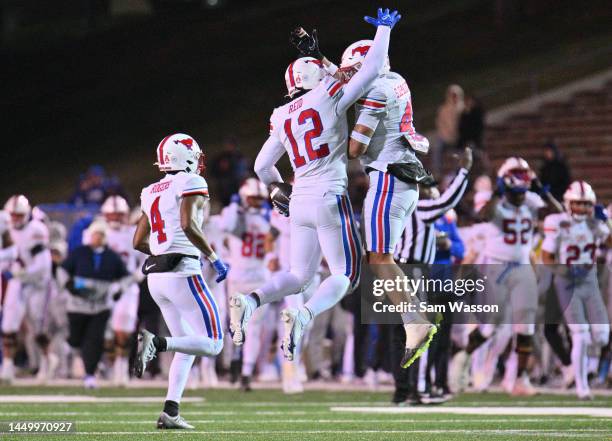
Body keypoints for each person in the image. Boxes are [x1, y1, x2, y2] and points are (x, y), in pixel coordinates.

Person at [229, 8, 402, 363]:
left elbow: (262, 166)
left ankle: (251, 300)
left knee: (299, 274)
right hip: (329, 194)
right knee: (346, 274)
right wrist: (384, 30)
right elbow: (369, 69)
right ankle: (305, 314)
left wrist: (278, 190)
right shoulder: (326, 95)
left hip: (300, 200)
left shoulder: (280, 115)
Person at [332, 28, 436, 369]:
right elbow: (361, 76)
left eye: (353, 71)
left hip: (387, 178)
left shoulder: (376, 91)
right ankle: (415, 318)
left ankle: (415, 321)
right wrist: (324, 61)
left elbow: (356, 149)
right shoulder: (394, 80)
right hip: (404, 178)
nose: (348, 78)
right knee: (381, 256)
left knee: (378, 258)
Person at [133, 133, 229, 430]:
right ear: (184, 156)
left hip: (156, 277)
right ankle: (156, 342)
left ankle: (170, 411)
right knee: (214, 343)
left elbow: (138, 240)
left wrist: (162, 252)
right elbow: (188, 224)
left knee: (189, 345)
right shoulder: (191, 182)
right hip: (183, 272)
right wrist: (213, 258)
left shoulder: (150, 190)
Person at [463, 157, 562, 396]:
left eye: (524, 176)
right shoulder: (495, 201)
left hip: (521, 266)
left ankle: (520, 379)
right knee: (490, 326)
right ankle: (462, 359)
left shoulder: (532, 199)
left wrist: (544, 193)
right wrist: (499, 191)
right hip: (495, 266)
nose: (521, 182)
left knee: (525, 326)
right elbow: (483, 215)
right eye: (516, 175)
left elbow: (561, 216)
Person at [541, 181, 611, 400]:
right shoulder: (557, 223)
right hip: (567, 283)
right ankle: (582, 387)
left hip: (589, 281)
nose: (582, 209)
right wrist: (562, 270)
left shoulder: (595, 225)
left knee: (601, 335)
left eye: (585, 204)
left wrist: (607, 221)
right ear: (568, 203)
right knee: (581, 335)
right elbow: (547, 256)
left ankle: (587, 368)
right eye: (577, 204)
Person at [60, 220, 129, 389]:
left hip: (100, 306)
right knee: (75, 340)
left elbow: (125, 277)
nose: (96, 238)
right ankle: (79, 362)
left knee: (95, 339)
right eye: (94, 234)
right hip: (77, 304)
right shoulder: (79, 252)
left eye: (99, 235)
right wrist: (67, 284)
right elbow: (62, 270)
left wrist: (119, 289)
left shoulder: (112, 256)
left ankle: (90, 374)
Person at [221, 178, 271, 391]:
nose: (257, 202)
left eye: (260, 199)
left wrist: (235, 206)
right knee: (237, 326)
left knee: (253, 327)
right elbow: (227, 227)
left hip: (258, 276)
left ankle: (246, 371)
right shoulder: (238, 215)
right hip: (240, 277)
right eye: (253, 198)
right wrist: (235, 207)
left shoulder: (267, 216)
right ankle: (236, 359)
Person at [1, 195, 53, 384]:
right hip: (18, 281)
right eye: (12, 215)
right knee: (8, 325)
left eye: (18, 215)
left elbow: (43, 265)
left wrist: (19, 274)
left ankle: (47, 360)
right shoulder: (5, 229)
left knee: (37, 328)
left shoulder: (36, 230)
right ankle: (7, 367)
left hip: (38, 283)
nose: (15, 219)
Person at [100, 196, 146, 386]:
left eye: (119, 215)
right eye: (112, 215)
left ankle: (121, 368)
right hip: (104, 286)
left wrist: (137, 275)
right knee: (106, 333)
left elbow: (145, 259)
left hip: (127, 288)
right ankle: (110, 368)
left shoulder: (132, 233)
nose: (116, 219)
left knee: (124, 331)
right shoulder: (97, 232)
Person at [433, 85, 464, 174]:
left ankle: (457, 173)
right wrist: (446, 135)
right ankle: (437, 172)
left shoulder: (462, 108)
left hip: (458, 137)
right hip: (444, 137)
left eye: (456, 95)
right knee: (437, 148)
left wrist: (456, 135)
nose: (454, 97)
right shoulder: (443, 109)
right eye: (452, 95)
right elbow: (440, 124)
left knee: (459, 153)